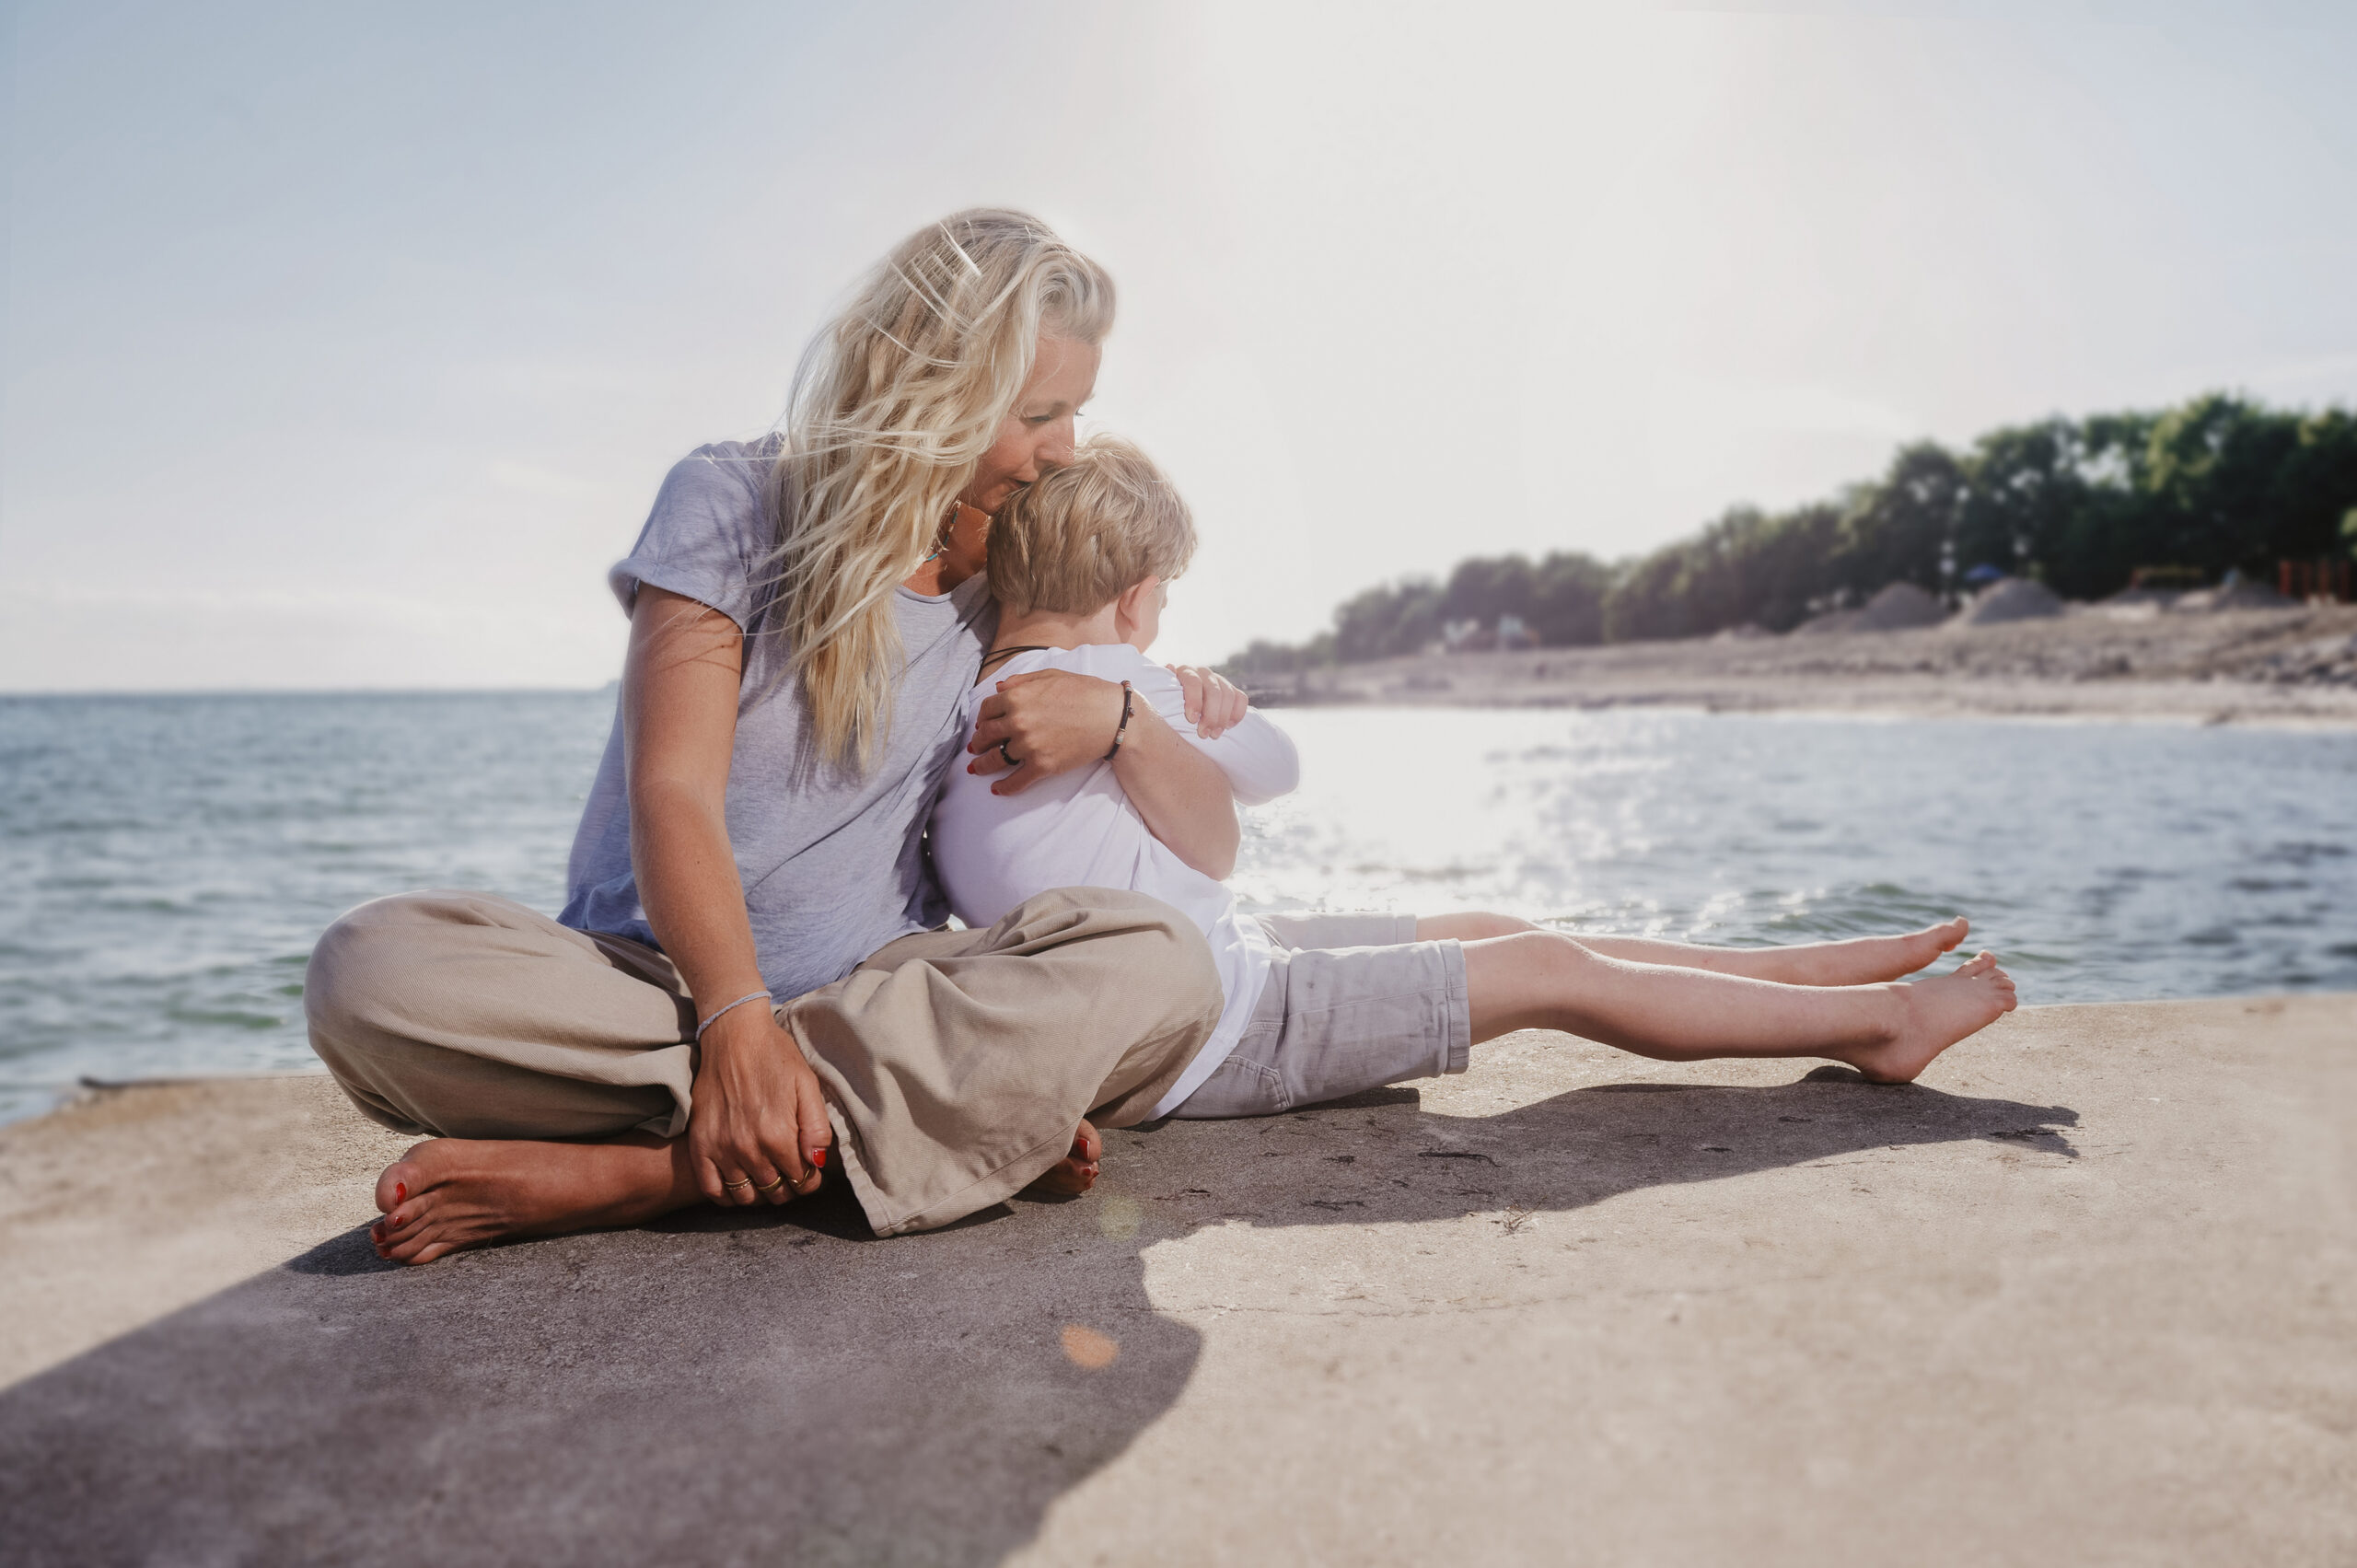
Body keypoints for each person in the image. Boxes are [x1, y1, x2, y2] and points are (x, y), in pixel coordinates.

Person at [306, 211, 1257, 1264]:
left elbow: (1113, 642)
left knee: (1163, 960)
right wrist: (734, 1020)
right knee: (367, 971)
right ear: (926, 390)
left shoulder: (1011, 575)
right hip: (653, 989)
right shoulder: (733, 500)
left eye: (1075, 412)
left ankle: (642, 1174)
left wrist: (1150, 705)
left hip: (879, 991)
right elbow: (672, 788)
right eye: (1037, 413)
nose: (1061, 450)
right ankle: (910, 1125)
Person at [926, 434, 2019, 1148]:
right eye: (1165, 597)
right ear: (1131, 598)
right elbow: (1273, 777)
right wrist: (1206, 706)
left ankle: (1796, 973)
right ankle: (1876, 1022)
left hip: (1189, 984)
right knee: (1545, 966)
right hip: (1222, 1024)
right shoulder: (1118, 683)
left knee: (1501, 926)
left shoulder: (982, 702)